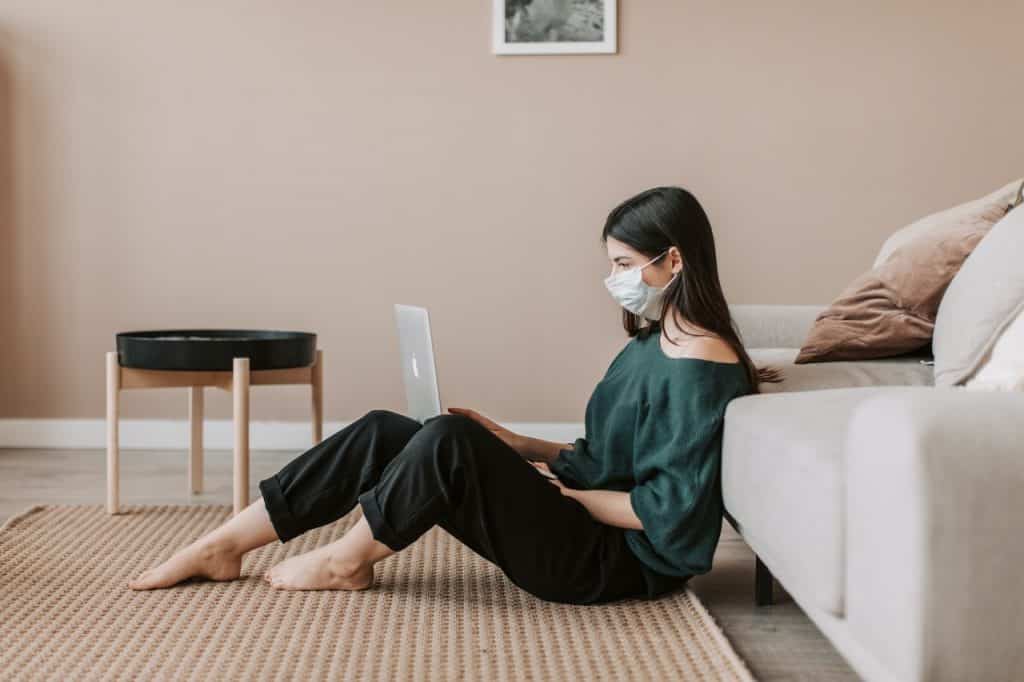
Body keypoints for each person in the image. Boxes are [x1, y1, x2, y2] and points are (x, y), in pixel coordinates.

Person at [127, 185, 784, 604]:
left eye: (621, 264)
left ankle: (345, 562)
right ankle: (224, 545)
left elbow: (671, 513)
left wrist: (566, 495)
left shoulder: (701, 367)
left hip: (614, 565)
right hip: (583, 521)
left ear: (672, 261)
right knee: (389, 429)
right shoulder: (652, 343)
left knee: (447, 442)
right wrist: (514, 443)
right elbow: (605, 455)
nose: (612, 278)